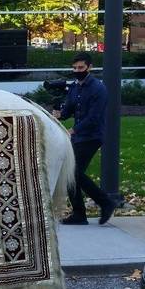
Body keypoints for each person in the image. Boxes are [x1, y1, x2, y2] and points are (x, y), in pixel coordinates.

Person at [54, 53, 116, 225]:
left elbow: (94, 117)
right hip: (78, 137)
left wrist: (73, 130)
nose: (77, 71)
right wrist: (58, 114)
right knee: (69, 173)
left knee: (73, 172)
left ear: (89, 67)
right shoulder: (74, 87)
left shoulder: (98, 88)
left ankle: (105, 203)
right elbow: (68, 111)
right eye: (74, 68)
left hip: (92, 137)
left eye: (80, 68)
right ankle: (80, 214)